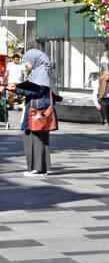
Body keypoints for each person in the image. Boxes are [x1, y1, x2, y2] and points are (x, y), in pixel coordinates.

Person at [18, 48, 60, 176]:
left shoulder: (41, 72)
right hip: (37, 109)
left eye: (27, 62)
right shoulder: (40, 71)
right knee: (39, 138)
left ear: (34, 60)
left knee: (34, 137)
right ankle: (40, 168)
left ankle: (37, 168)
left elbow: (38, 91)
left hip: (37, 110)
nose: (27, 65)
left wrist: (18, 90)